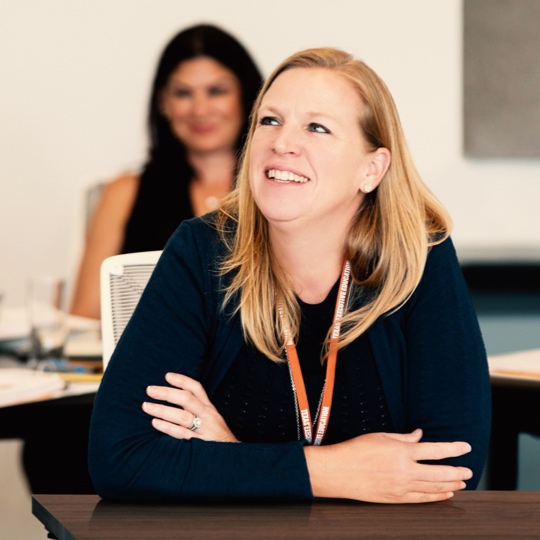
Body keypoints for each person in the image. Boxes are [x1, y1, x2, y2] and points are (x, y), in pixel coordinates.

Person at [89, 47, 491, 504]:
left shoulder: (420, 257)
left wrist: (232, 457)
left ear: (371, 168)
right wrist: (331, 473)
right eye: (270, 120)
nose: (282, 143)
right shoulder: (201, 250)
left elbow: (451, 466)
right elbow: (120, 457)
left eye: (317, 127)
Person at [70, 24, 262, 320]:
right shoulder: (125, 192)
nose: (200, 109)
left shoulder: (276, 190)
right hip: (150, 361)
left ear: (247, 96)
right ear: (163, 102)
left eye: (216, 91)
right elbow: (84, 318)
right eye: (183, 92)